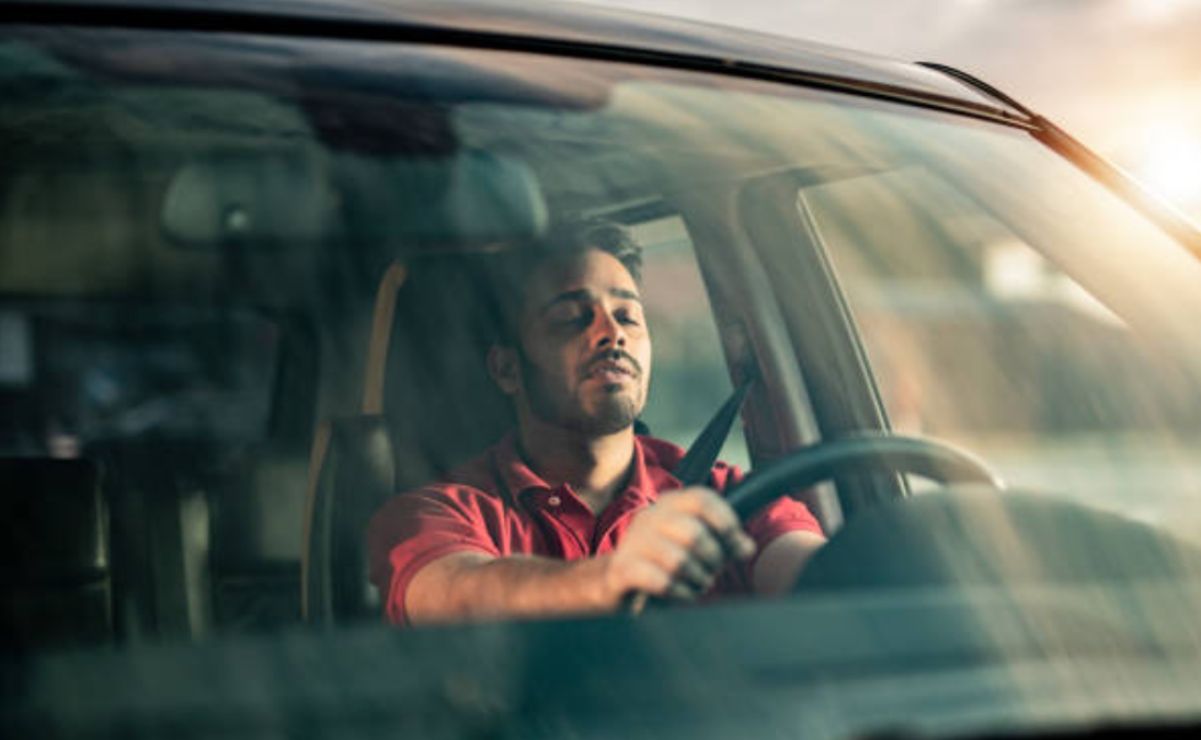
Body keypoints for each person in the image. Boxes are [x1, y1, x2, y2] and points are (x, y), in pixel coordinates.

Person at [367, 219, 825, 626]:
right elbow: (456, 592)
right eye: (570, 318)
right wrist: (611, 578)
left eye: (628, 316)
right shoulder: (434, 513)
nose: (613, 333)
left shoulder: (729, 499)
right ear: (507, 369)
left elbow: (821, 575)